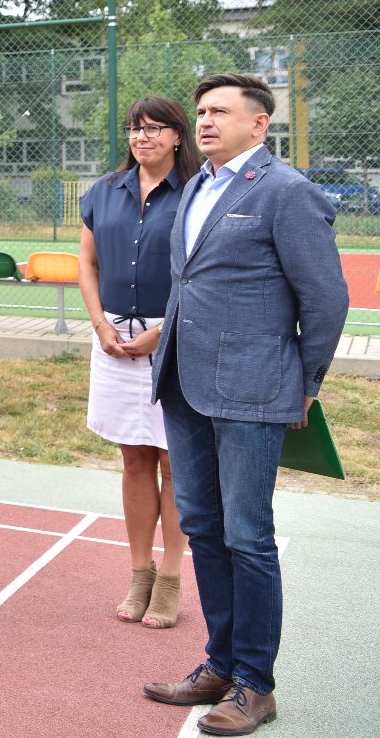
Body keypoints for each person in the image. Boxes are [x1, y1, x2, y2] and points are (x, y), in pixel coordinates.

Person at [143, 73, 348, 736]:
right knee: (202, 527)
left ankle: (254, 685)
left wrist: (304, 380)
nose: (203, 121)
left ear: (259, 124)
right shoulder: (198, 185)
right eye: (200, 111)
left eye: (219, 112)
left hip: (253, 388)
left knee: (247, 537)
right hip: (184, 385)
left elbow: (324, 299)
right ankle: (219, 664)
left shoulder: (286, 193)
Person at [77, 96, 198, 629]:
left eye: (155, 128)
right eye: (134, 128)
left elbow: (204, 275)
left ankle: (171, 577)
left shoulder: (199, 192)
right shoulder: (104, 191)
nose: (142, 136)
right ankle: (139, 572)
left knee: (175, 461)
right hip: (113, 341)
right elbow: (87, 261)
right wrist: (102, 325)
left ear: (177, 136)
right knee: (134, 458)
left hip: (174, 338)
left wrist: (160, 332)